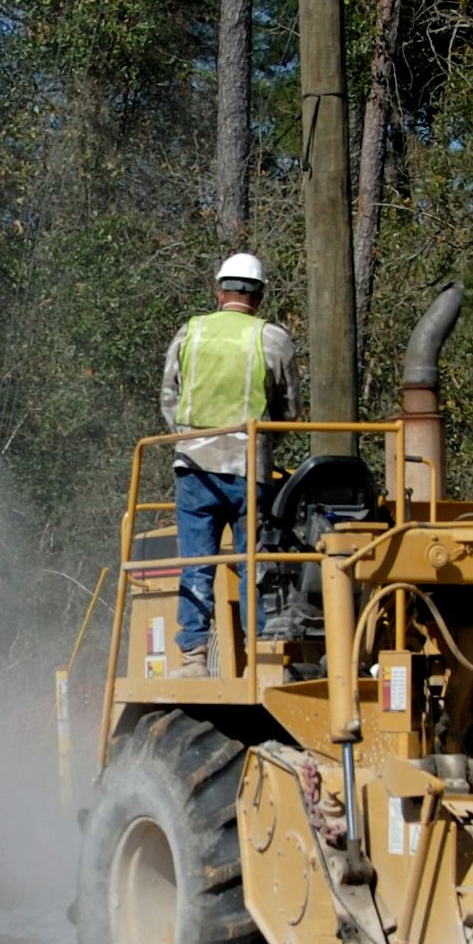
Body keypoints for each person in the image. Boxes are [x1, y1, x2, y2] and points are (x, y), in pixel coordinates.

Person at [158, 252, 301, 675]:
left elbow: (170, 396)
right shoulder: (273, 339)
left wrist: (192, 436)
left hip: (194, 467)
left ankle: (194, 658)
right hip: (248, 468)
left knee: (197, 562)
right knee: (252, 565)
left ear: (219, 291)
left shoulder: (191, 333)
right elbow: (290, 411)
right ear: (259, 296)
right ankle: (257, 658)